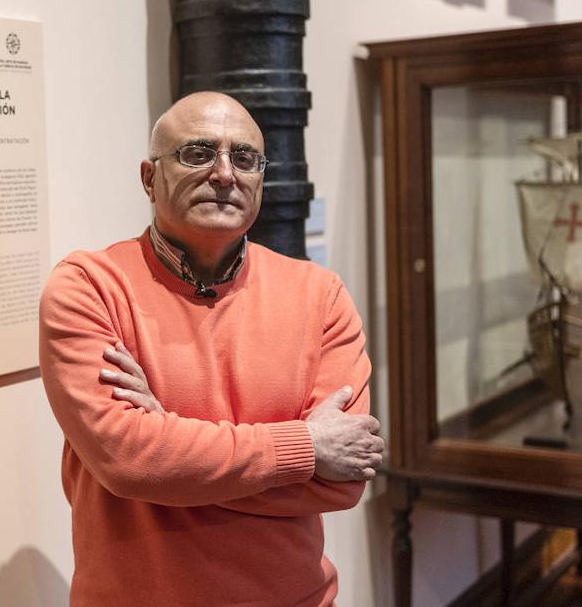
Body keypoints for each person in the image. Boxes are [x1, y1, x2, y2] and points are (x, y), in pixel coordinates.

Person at [39, 92, 383, 607]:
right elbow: (128, 459)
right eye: (198, 153)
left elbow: (341, 483)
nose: (225, 174)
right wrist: (304, 449)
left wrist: (169, 443)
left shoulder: (321, 295)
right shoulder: (88, 287)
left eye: (244, 158)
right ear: (149, 178)